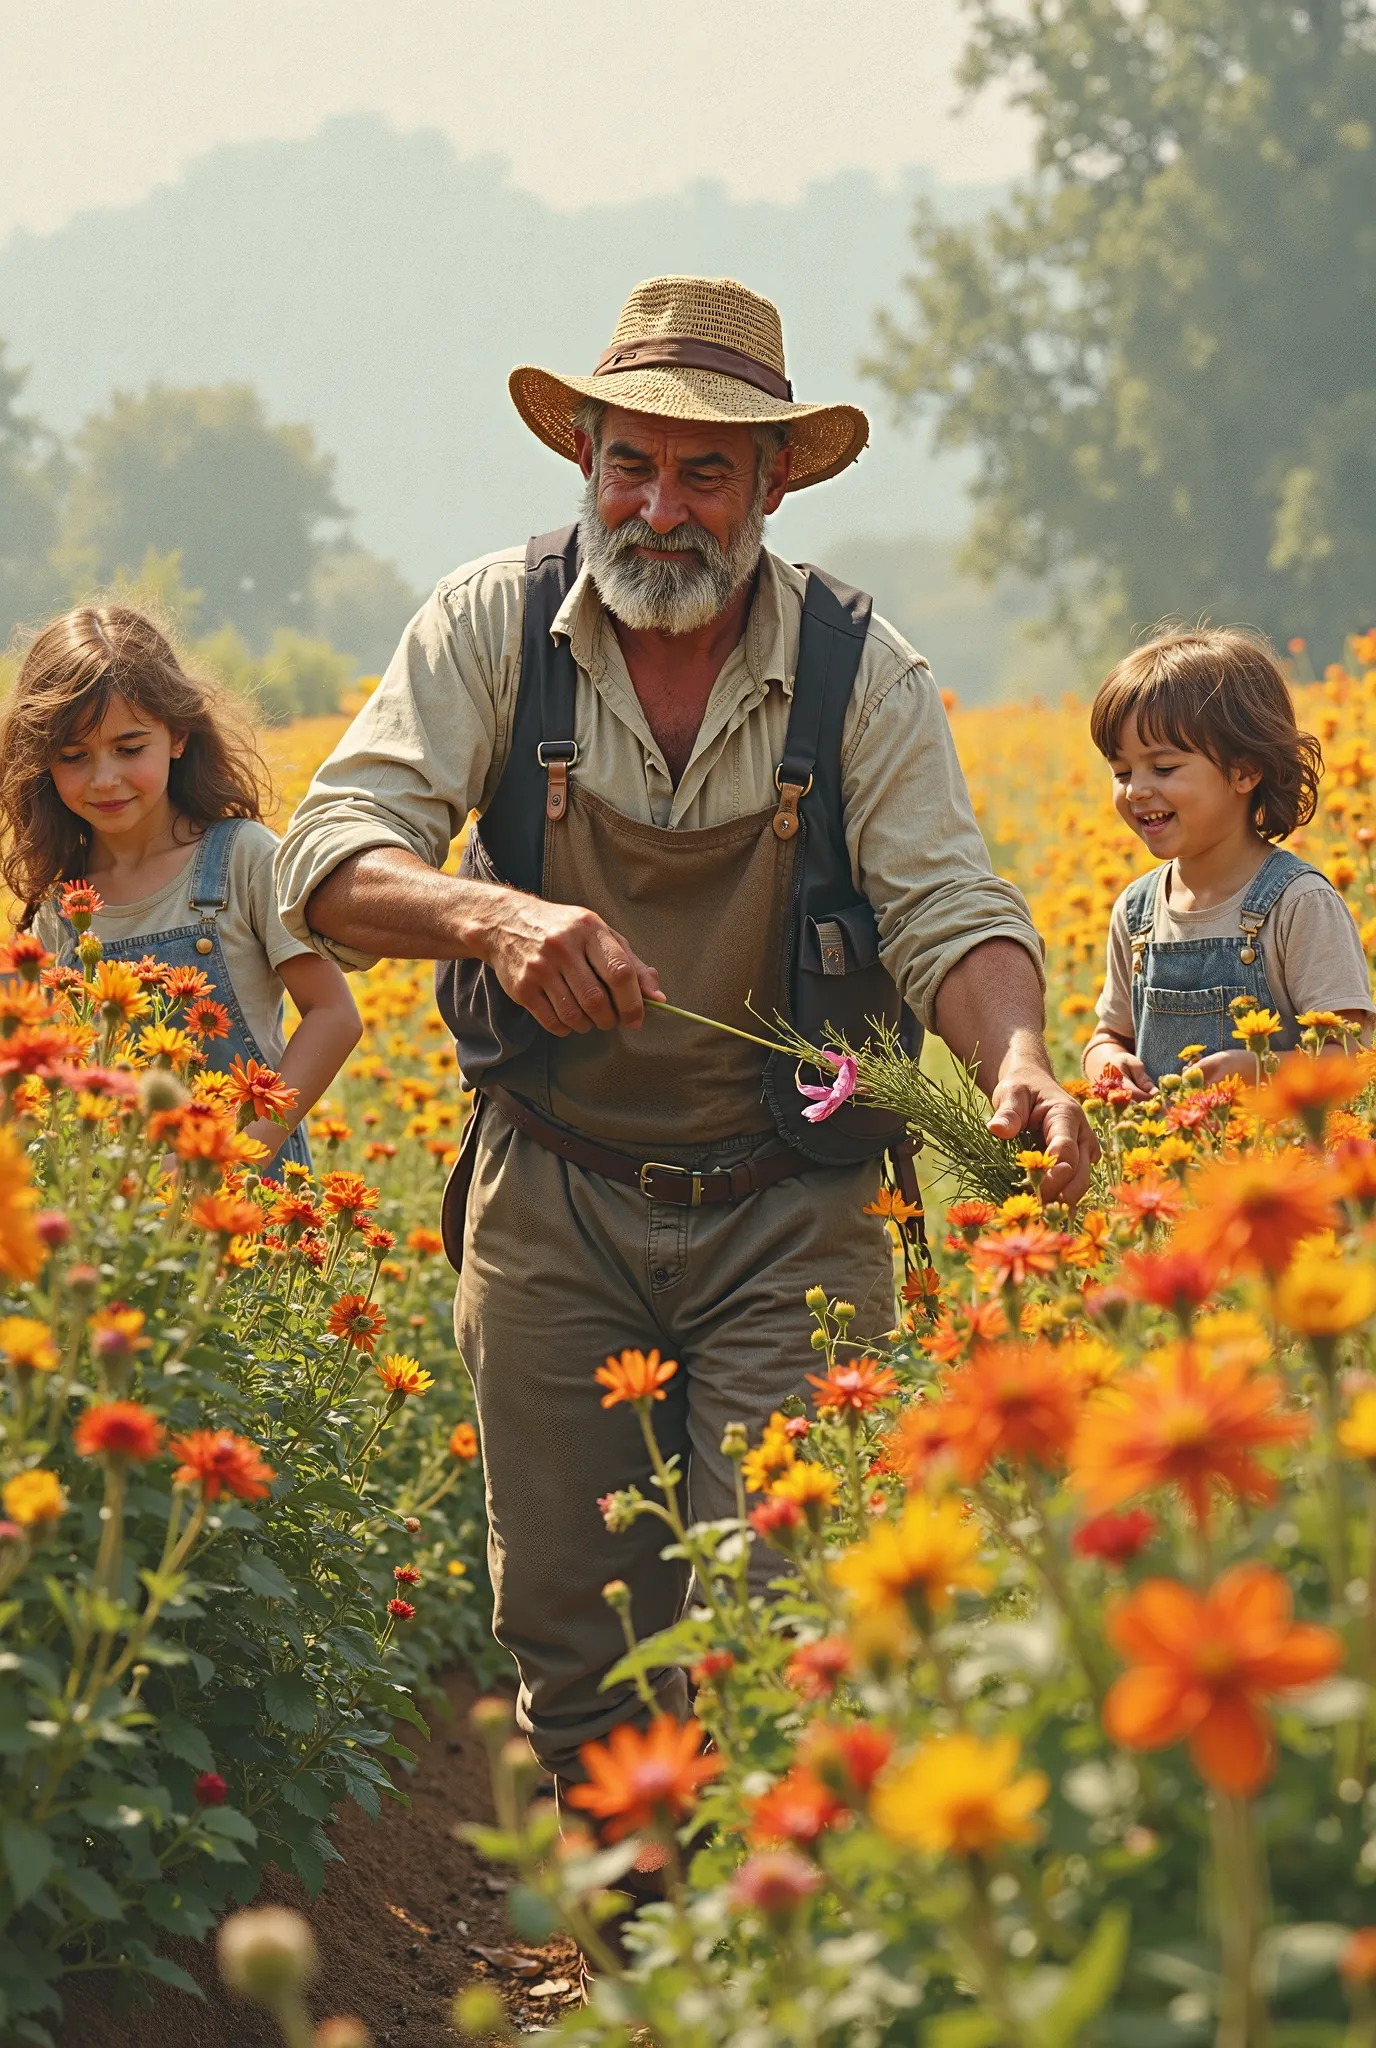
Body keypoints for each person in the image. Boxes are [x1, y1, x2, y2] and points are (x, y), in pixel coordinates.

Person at [276, 274, 1096, 1784]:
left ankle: (753, 1990)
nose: (660, 507)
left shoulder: (860, 669)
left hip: (790, 1208)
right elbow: (327, 855)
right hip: (554, 1194)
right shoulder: (493, 625)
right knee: (574, 1642)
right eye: (629, 464)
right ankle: (628, 1976)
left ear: (773, 481)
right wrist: (494, 918)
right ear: (581, 460)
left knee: (780, 1634)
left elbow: (948, 911)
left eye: (704, 470)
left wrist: (1020, 1061)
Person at [1, 604, 361, 1162]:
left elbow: (334, 1016)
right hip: (118, 1213)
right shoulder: (61, 903)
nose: (104, 778)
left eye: (129, 748)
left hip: (243, 1203)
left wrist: (237, 1155)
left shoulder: (242, 857)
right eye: (74, 756)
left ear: (178, 736)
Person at [1083, 626, 1374, 1095]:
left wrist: (1260, 1072)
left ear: (1244, 771)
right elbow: (1110, 1035)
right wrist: (1109, 1064)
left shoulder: (1299, 904)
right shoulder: (1136, 912)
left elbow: (1350, 1059)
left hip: (1281, 1165)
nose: (1135, 789)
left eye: (1163, 768)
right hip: (1161, 1165)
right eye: (1121, 772)